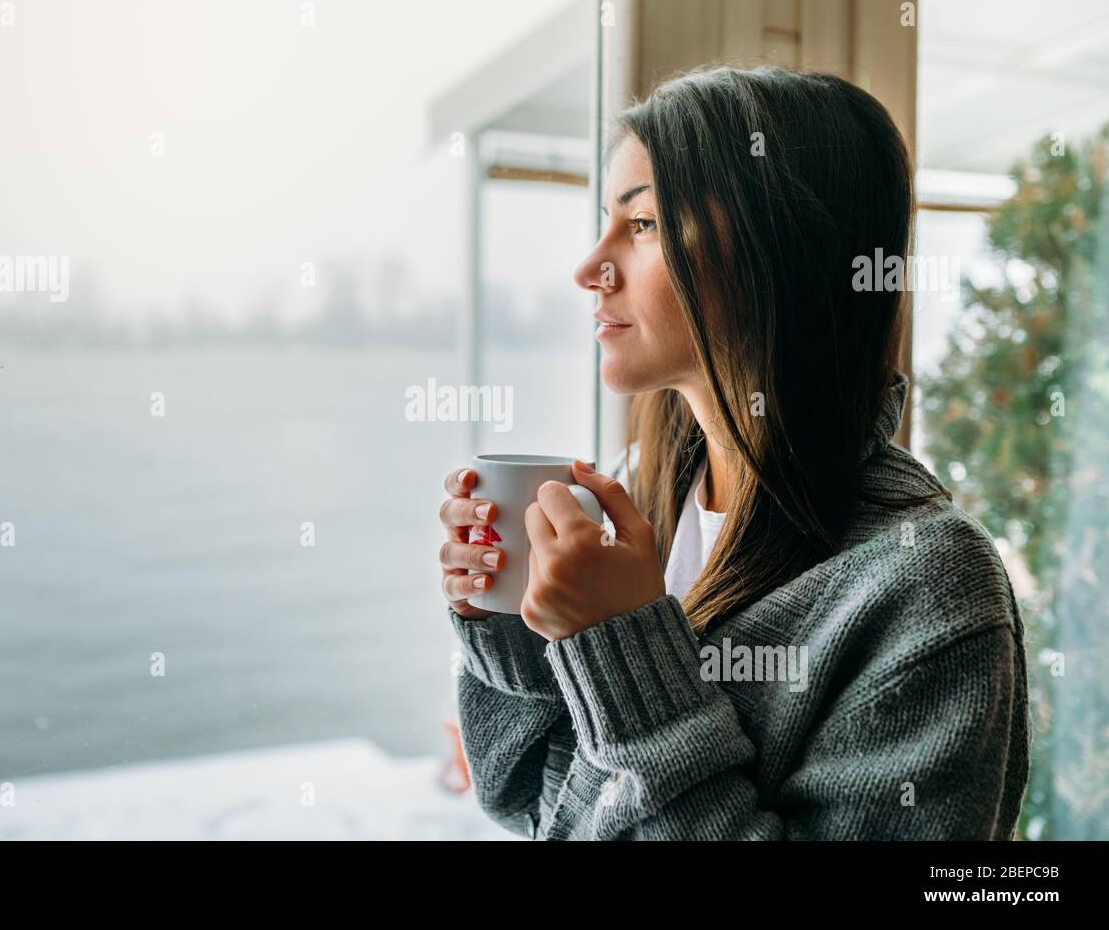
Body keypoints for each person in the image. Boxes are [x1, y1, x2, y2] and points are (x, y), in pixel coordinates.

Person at [436, 65, 1029, 840]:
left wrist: (623, 653)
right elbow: (533, 803)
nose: (591, 269)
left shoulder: (927, 591)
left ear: (776, 245)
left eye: (641, 224)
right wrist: (510, 618)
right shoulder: (637, 497)